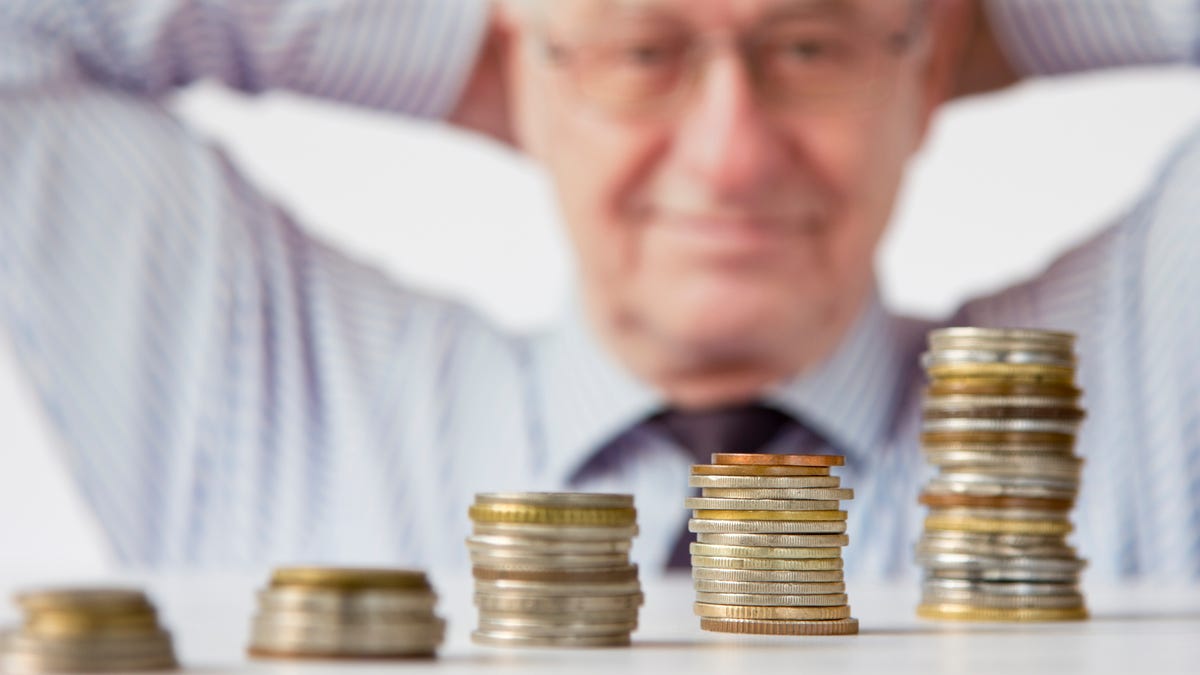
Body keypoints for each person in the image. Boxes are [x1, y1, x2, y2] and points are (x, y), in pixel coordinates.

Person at [1, 0, 1196, 581]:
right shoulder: (271, 396)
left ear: (926, 67)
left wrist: (972, 26)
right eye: (644, 51)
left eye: (808, 48)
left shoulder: (1132, 387)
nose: (729, 153)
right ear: (526, 69)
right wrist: (478, 46)